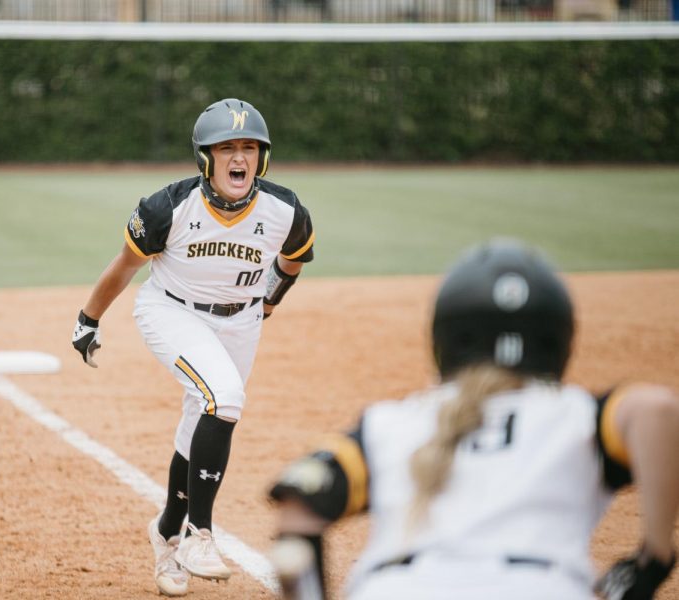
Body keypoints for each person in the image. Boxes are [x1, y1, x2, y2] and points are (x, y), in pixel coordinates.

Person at [267, 238, 678, 600]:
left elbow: (300, 505)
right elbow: (658, 410)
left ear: (444, 338)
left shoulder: (389, 423)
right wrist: (653, 560)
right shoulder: (576, 415)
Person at [71, 98, 315, 596]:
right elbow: (124, 266)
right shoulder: (169, 207)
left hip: (241, 320)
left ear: (262, 158)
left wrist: (267, 304)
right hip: (170, 310)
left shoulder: (286, 211)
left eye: (249, 147)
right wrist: (88, 319)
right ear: (205, 158)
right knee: (223, 397)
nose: (239, 158)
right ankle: (199, 534)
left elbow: (292, 262)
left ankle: (165, 533)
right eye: (226, 148)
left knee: (200, 417)